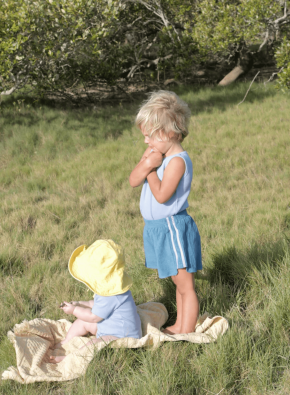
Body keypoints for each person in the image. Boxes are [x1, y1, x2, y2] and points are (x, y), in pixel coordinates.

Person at [129, 90, 202, 335]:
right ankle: (180, 324)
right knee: (176, 281)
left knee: (185, 285)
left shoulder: (177, 161)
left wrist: (150, 169)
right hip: (158, 229)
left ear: (170, 132)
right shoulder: (157, 156)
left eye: (150, 136)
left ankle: (187, 329)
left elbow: (162, 195)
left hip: (173, 226)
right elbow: (132, 180)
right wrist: (147, 164)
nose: (146, 142)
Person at [49, 239, 142, 363]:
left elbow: (93, 317)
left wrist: (74, 310)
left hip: (123, 337)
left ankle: (72, 359)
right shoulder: (109, 288)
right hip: (110, 327)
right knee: (82, 321)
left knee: (95, 342)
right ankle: (66, 341)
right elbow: (95, 305)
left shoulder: (112, 295)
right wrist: (79, 304)